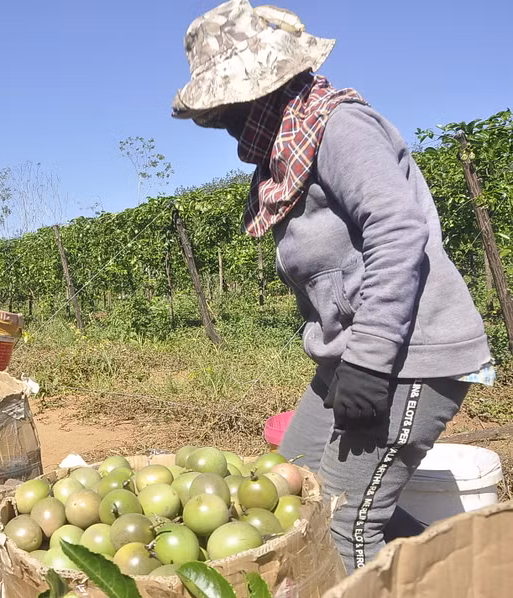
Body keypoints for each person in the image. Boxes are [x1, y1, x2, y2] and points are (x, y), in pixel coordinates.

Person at [171, 0, 495, 574]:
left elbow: (397, 231)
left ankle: (458, 573)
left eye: (224, 108)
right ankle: (459, 571)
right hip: (349, 359)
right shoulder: (289, 150)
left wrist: (369, 362)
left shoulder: (338, 126)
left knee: (344, 521)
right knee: (292, 492)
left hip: (407, 356)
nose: (222, 123)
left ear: (256, 90)